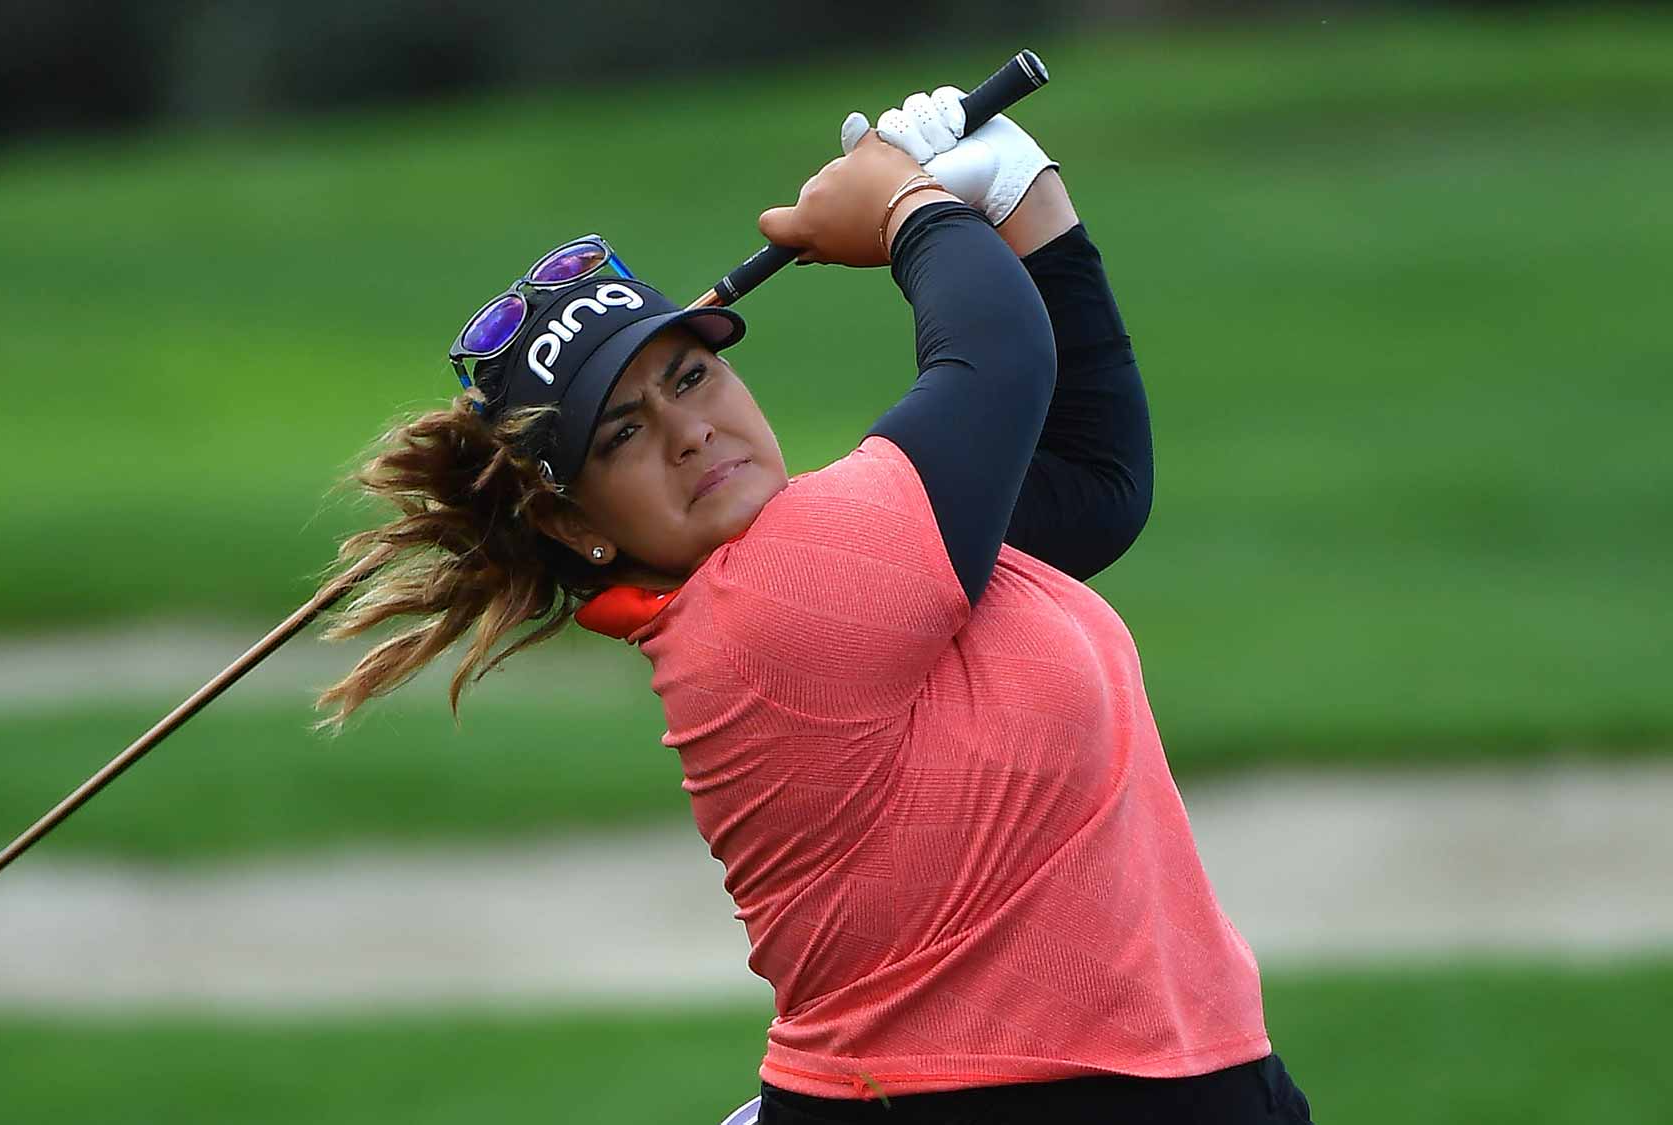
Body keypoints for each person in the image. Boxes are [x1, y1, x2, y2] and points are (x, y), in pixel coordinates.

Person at [318, 87, 1314, 1124]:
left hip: (1172, 1076)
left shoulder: (868, 550)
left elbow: (1091, 483)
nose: (687, 431)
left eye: (690, 376)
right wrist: (907, 208)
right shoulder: (773, 600)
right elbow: (996, 359)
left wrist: (1025, 204)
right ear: (576, 529)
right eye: (618, 435)